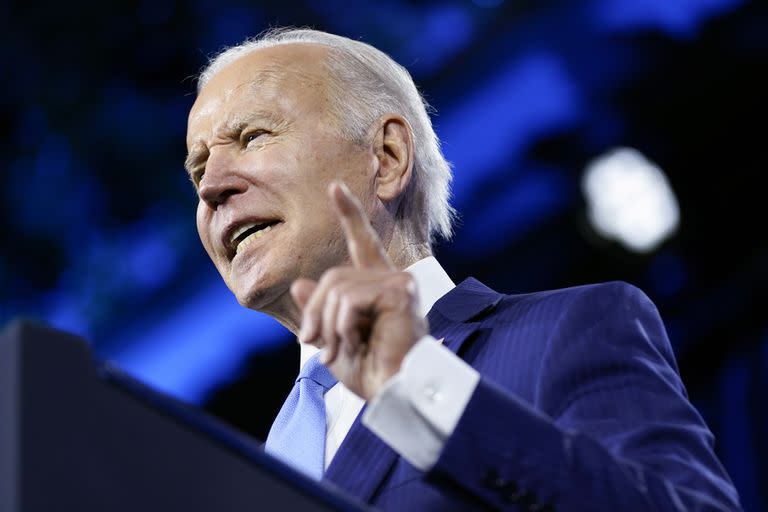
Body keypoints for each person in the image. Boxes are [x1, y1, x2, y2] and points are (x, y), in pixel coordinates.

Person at [185, 28, 741, 511]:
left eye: (253, 137)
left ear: (387, 157)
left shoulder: (569, 331)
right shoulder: (244, 472)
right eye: (199, 169)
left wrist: (425, 389)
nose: (211, 188)